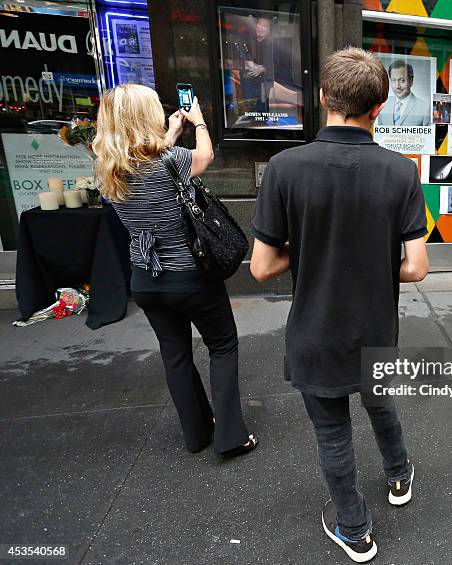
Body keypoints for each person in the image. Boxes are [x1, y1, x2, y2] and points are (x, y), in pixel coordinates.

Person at [250, 47, 428, 562]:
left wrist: (308, 248)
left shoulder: (285, 169)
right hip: (375, 328)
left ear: (324, 98)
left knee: (333, 433)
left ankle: (356, 529)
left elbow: (261, 268)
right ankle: (399, 476)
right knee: (381, 404)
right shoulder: (400, 171)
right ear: (379, 107)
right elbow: (415, 267)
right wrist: (374, 260)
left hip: (315, 333)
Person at [93, 84, 257, 457]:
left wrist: (168, 135)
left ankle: (197, 434)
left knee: (175, 354)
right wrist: (198, 123)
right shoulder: (172, 159)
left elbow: (146, 159)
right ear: (144, 117)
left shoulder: (108, 171)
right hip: (190, 275)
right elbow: (205, 156)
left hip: (146, 278)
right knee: (222, 345)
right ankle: (231, 436)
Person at [377, 60, 431, 126]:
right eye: (393, 80)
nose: (397, 86)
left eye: (402, 80)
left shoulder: (425, 108)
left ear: (411, 81)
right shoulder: (383, 105)